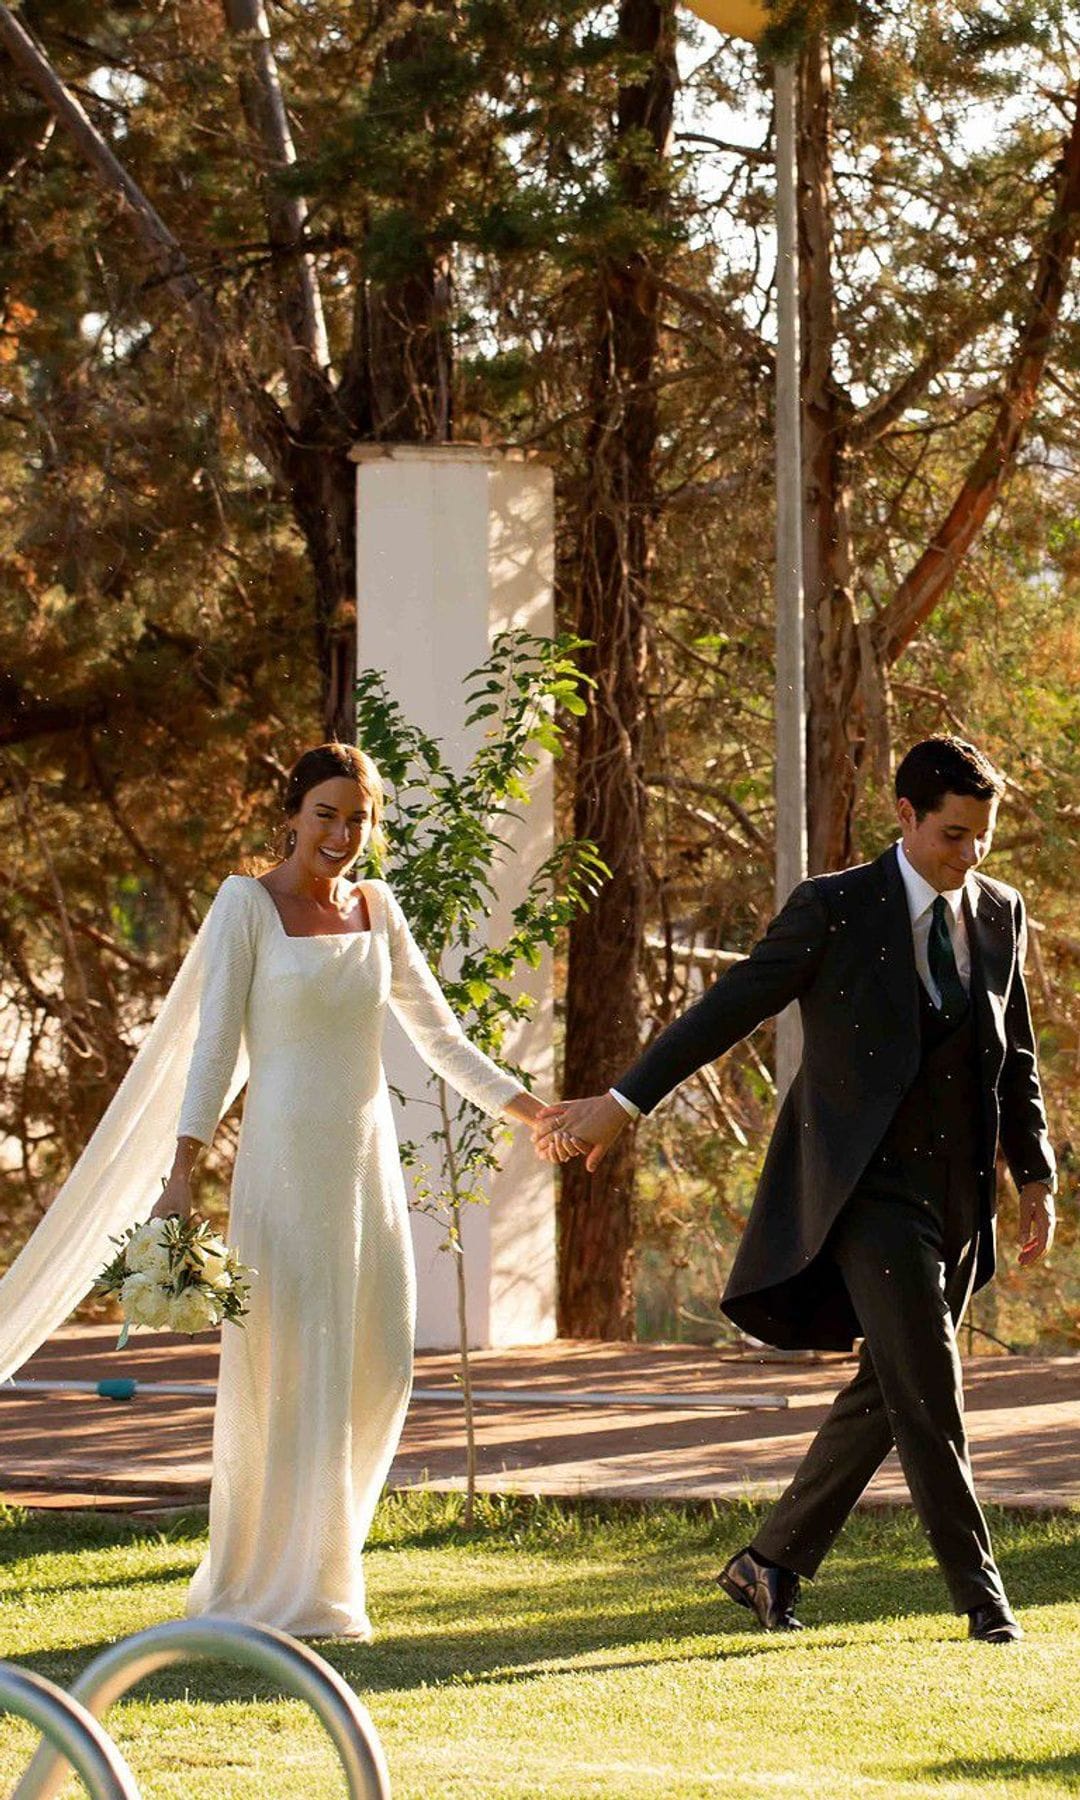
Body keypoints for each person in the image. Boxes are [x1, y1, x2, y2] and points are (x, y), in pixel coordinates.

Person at [0, 741, 545, 1640]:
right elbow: (216, 1047)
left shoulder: (378, 907)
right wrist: (181, 1169)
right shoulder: (244, 904)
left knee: (380, 1368)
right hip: (282, 1170)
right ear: (291, 814)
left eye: (357, 818)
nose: (340, 833)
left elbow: (441, 1039)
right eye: (324, 813)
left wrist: (536, 1114)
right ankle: (285, 1591)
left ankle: (325, 1561)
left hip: (365, 1170)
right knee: (286, 1375)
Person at [536, 737, 1056, 1644]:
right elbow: (729, 1007)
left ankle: (769, 1562)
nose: (968, 856)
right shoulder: (835, 909)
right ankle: (985, 1606)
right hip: (865, 1193)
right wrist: (622, 1105)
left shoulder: (1000, 913)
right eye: (952, 836)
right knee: (931, 1394)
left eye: (981, 838)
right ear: (905, 815)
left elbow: (1015, 1058)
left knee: (892, 1389)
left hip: (958, 1194)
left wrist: (1036, 1175)